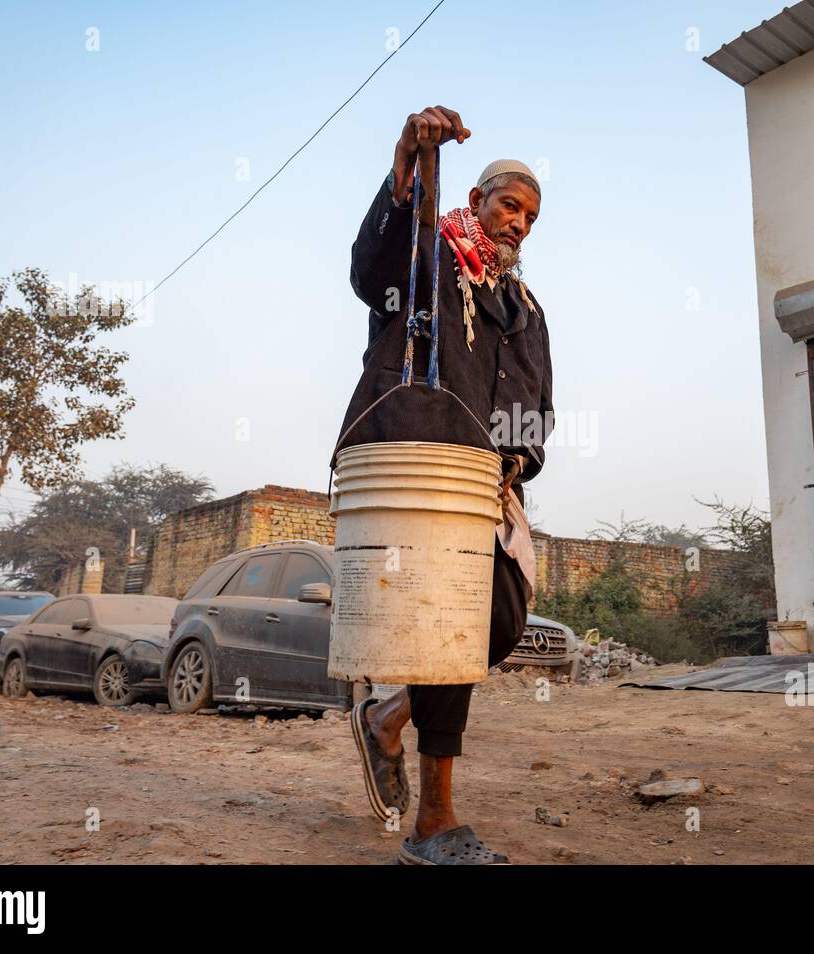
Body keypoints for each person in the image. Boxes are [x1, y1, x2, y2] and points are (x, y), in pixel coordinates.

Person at [332, 106, 553, 865]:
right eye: (507, 204)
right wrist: (406, 165)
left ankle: (387, 716)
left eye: (529, 213)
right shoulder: (430, 257)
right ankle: (434, 822)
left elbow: (534, 400)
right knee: (448, 627)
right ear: (479, 200)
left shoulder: (524, 308)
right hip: (411, 461)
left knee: (498, 619)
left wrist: (513, 466)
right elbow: (371, 272)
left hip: (482, 482)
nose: (517, 222)